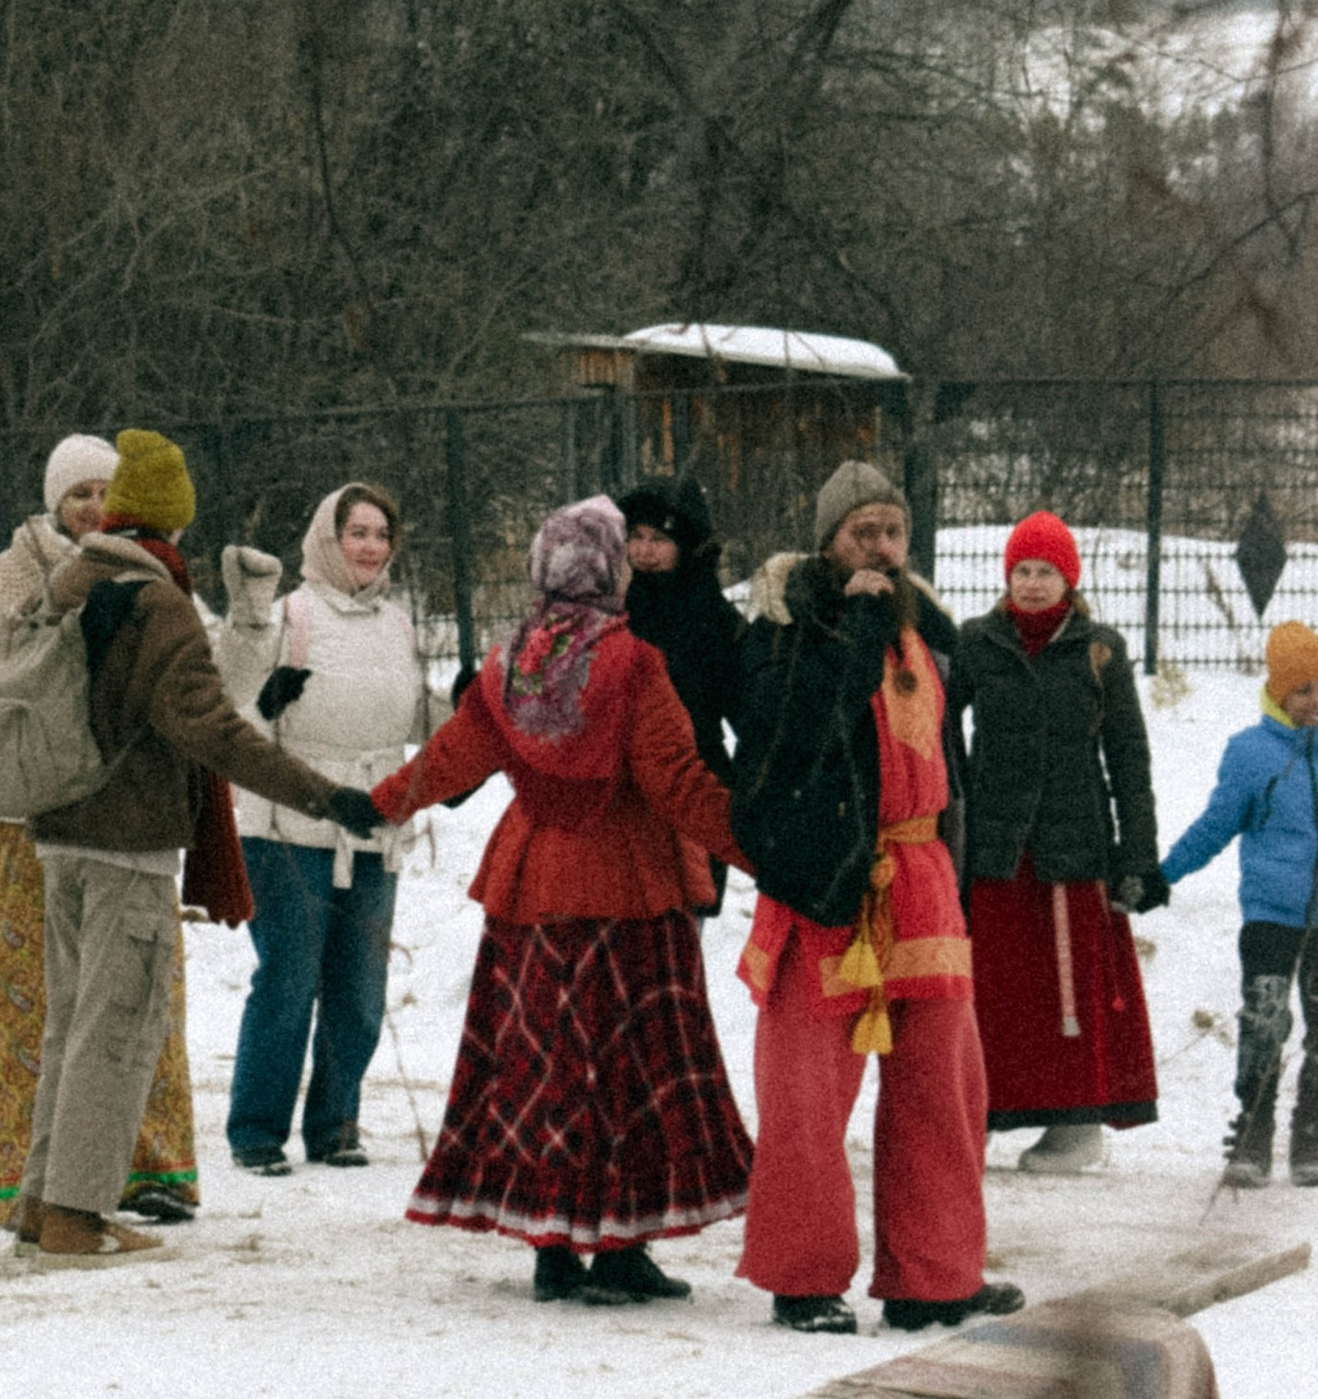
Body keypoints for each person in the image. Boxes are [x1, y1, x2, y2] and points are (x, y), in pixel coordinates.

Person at [367, 494, 753, 1304]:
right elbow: (678, 782)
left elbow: (451, 756)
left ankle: (552, 1245)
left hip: (533, 882)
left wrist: (379, 801)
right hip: (628, 881)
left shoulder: (512, 660)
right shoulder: (634, 662)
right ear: (611, 572)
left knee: (543, 1063)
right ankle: (618, 1248)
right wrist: (761, 851)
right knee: (627, 1069)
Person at [16, 429, 378, 1264]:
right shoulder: (156, 599)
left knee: (73, 1023)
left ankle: (43, 1200)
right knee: (117, 1026)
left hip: (61, 831)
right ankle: (76, 1212)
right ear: (175, 521)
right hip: (126, 840)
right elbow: (212, 727)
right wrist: (322, 795)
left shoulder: (73, 579)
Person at [730, 459, 1024, 1336]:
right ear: (829, 541)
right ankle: (804, 1277)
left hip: (922, 872)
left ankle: (933, 1276)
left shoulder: (927, 629)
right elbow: (791, 735)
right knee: (808, 1093)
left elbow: (951, 762)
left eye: (894, 531)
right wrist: (854, 629)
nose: (883, 549)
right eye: (864, 532)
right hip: (827, 882)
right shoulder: (783, 628)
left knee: (943, 1083)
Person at [0, 434, 199, 1228]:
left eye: (107, 493)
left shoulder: (147, 569)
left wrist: (258, 620)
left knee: (132, 1006)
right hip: (27, 829)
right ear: (54, 500)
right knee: (37, 1010)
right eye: (78, 494)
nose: (94, 508)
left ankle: (144, 1168)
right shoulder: (2, 583)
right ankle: (26, 1173)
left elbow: (210, 672)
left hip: (122, 820)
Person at [213, 483, 432, 1173]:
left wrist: (469, 720)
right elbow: (229, 705)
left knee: (360, 990)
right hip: (290, 824)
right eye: (356, 532)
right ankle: (256, 1130)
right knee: (288, 980)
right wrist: (263, 702)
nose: (370, 546)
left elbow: (415, 714)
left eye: (380, 534)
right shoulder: (287, 617)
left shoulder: (399, 626)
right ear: (327, 540)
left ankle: (337, 1124)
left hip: (374, 823)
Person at [951, 510, 1163, 1177]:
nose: (1033, 583)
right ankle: (974, 1117)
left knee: (1066, 998)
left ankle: (1075, 1128)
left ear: (1069, 580)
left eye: (1046, 571)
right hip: (997, 850)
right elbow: (934, 724)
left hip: (1074, 852)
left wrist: (1139, 854)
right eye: (1022, 570)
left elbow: (1129, 755)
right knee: (993, 993)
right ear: (1007, 575)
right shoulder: (977, 643)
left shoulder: (1099, 649)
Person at [1160, 618, 1318, 1185]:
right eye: (1304, 689)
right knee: (1264, 1023)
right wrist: (1164, 874)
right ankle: (1252, 1133)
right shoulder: (1251, 754)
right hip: (1272, 914)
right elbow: (1216, 825)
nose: (1315, 700)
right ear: (1279, 692)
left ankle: (1311, 1134)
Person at [615, 478, 747, 905]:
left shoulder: (714, 619)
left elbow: (746, 712)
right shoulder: (612, 611)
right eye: (636, 536)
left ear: (685, 544)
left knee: (682, 942)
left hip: (695, 787)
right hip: (620, 791)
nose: (645, 551)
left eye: (660, 538)